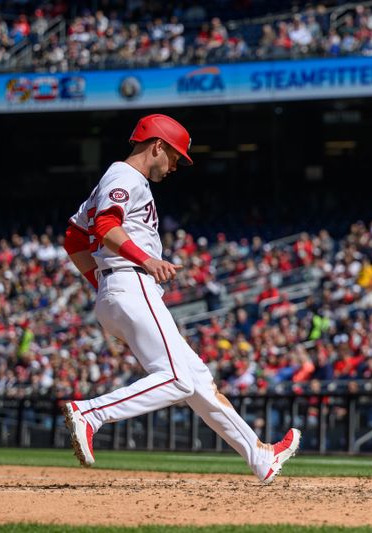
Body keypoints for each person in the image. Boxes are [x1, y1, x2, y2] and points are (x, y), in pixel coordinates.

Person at [62, 114, 300, 484]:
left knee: (198, 380)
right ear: (157, 145)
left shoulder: (112, 181)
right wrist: (144, 262)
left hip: (120, 289)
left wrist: (105, 287)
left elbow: (74, 239)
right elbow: (105, 227)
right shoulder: (127, 176)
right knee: (177, 380)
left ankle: (260, 456)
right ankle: (91, 413)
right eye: (174, 156)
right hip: (132, 282)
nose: (175, 165)